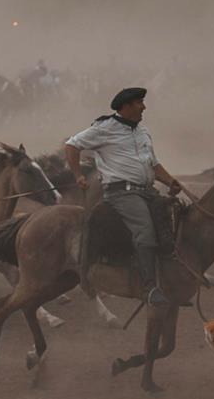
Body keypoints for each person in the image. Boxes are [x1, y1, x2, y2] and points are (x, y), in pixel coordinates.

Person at [64, 87, 182, 306]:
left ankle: (169, 278)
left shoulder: (143, 131)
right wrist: (78, 175)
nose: (144, 107)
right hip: (121, 193)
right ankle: (149, 288)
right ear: (126, 107)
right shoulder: (103, 128)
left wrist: (171, 181)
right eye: (139, 103)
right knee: (145, 231)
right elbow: (72, 145)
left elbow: (153, 164)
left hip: (147, 191)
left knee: (175, 217)